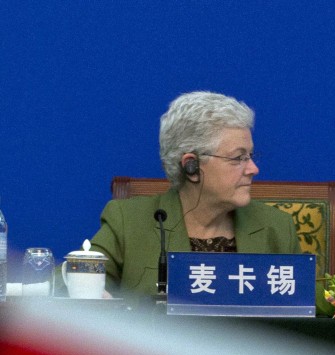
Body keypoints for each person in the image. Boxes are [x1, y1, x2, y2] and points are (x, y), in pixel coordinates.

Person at [90, 91, 301, 299]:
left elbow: (309, 303)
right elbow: (73, 278)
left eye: (251, 156)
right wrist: (93, 296)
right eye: (238, 158)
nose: (253, 169)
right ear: (191, 166)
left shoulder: (276, 228)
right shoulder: (129, 222)